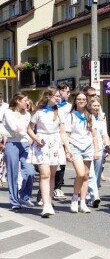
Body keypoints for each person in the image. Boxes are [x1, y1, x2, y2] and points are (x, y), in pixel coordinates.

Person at [27, 87, 71, 217]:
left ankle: (49, 202)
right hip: (42, 143)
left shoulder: (60, 112)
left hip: (55, 143)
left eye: (59, 96)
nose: (58, 98)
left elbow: (63, 132)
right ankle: (45, 205)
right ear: (48, 96)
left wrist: (67, 148)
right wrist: (36, 139)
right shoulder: (39, 112)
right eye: (56, 96)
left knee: (52, 175)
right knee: (45, 174)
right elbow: (29, 129)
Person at [65, 92, 100, 214]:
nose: (81, 101)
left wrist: (96, 150)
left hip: (88, 147)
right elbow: (67, 134)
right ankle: (75, 198)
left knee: (86, 175)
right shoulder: (70, 116)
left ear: (86, 101)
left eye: (84, 99)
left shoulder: (90, 115)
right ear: (75, 101)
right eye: (79, 99)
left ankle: (83, 202)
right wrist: (67, 150)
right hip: (75, 146)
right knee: (80, 174)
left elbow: (94, 135)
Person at [3, 92, 35, 210]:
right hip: (12, 144)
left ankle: (24, 196)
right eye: (25, 100)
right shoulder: (8, 112)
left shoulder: (27, 114)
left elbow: (29, 129)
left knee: (30, 171)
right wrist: (27, 136)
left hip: (25, 145)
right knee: (13, 173)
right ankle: (15, 201)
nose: (27, 103)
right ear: (18, 101)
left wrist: (32, 137)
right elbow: (13, 127)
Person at [86, 96, 110, 208]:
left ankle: (91, 196)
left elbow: (104, 132)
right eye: (94, 105)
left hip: (99, 148)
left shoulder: (101, 117)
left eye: (98, 105)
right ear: (89, 106)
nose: (96, 107)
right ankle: (92, 195)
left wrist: (107, 145)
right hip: (87, 148)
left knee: (97, 173)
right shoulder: (86, 117)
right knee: (89, 173)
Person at [52, 83, 71, 201]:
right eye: (66, 91)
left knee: (62, 162)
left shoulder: (69, 106)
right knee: (53, 163)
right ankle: (51, 186)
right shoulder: (54, 106)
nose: (68, 94)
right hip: (54, 137)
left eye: (69, 92)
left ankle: (58, 187)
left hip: (66, 136)